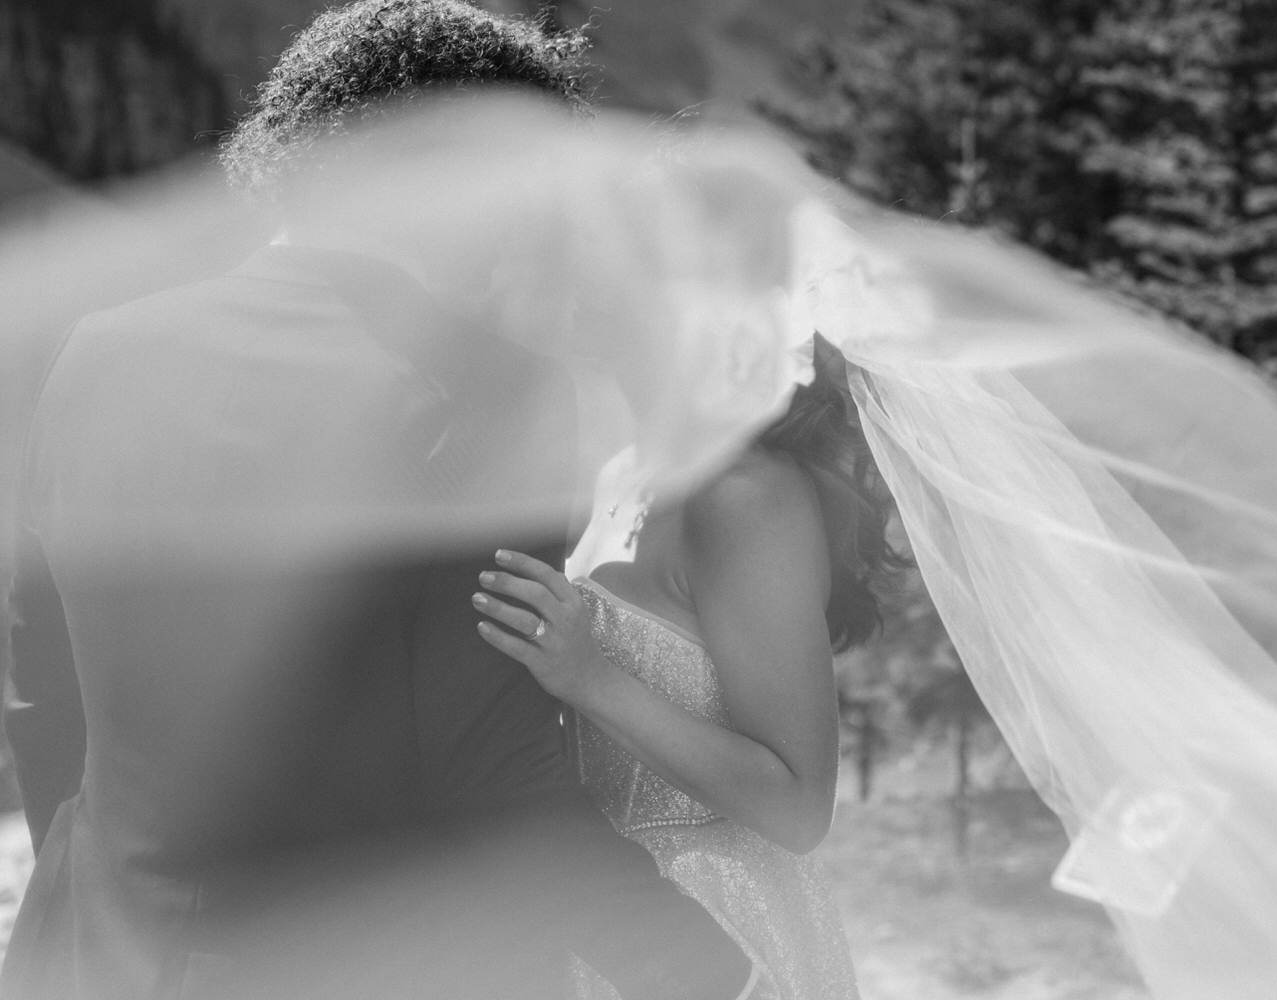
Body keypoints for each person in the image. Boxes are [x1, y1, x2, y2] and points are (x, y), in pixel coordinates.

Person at [1, 3, 757, 999]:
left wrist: (111, 879)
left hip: (96, 951)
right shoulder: (492, 390)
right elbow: (493, 769)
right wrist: (699, 968)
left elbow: (38, 682)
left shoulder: (100, 351)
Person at [473, 336, 905, 999]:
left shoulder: (745, 495)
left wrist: (592, 680)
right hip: (609, 919)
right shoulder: (619, 474)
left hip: (724, 933)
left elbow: (799, 807)